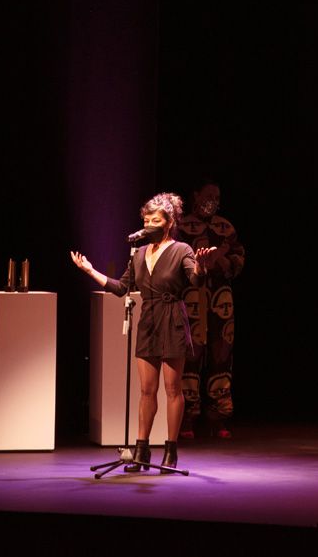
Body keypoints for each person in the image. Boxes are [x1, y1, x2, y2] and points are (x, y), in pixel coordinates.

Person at [71, 192, 214, 472]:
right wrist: (90, 271)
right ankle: (141, 450)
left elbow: (195, 280)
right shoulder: (138, 253)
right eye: (146, 220)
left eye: (155, 220)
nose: (149, 224)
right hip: (148, 320)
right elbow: (122, 288)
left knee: (173, 390)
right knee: (146, 391)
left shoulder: (181, 249)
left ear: (169, 221)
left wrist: (201, 265)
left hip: (172, 318)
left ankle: (170, 452)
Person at [175, 179, 244, 439]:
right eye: (208, 195)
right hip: (191, 297)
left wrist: (222, 258)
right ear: (195, 195)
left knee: (221, 354)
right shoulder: (181, 226)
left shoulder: (225, 228)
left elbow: (238, 260)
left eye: (216, 196)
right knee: (190, 356)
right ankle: (187, 418)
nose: (212, 200)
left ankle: (219, 417)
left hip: (220, 300)